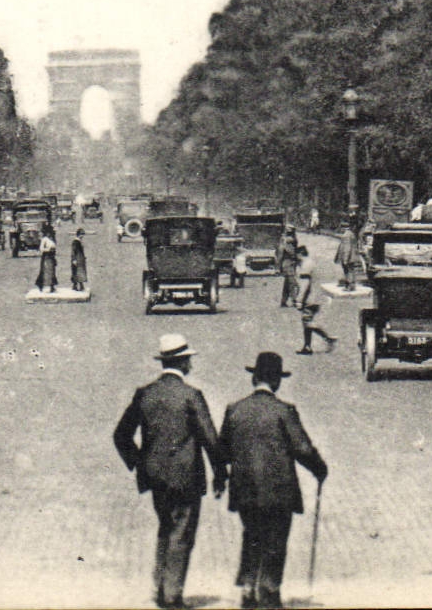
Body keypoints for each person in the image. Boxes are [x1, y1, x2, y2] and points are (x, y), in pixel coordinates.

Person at [113, 334, 227, 610]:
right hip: (186, 476)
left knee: (166, 526)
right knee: (182, 532)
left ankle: (159, 586)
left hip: (154, 476)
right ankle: (172, 596)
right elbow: (210, 438)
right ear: (184, 362)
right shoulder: (191, 396)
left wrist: (140, 462)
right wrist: (220, 473)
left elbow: (121, 435)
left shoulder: (145, 394)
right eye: (189, 360)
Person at [218, 351, 329, 609]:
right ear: (277, 381)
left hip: (244, 489)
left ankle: (248, 590)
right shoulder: (284, 411)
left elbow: (222, 451)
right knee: (276, 540)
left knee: (252, 535)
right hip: (279, 490)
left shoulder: (235, 410)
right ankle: (269, 591)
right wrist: (319, 469)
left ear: (254, 378)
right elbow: (302, 448)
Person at [295, 256, 337, 355]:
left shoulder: (306, 267)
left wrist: (299, 300)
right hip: (317, 297)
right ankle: (307, 346)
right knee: (306, 322)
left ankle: (328, 338)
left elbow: (304, 285)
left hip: (310, 299)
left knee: (307, 322)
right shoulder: (314, 264)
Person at [277, 233, 300, 308]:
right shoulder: (284, 247)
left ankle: (283, 301)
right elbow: (279, 259)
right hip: (287, 266)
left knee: (287, 285)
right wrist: (278, 269)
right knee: (292, 283)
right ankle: (294, 300)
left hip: (290, 266)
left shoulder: (290, 247)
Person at [37, 224, 59, 292]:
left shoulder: (52, 239)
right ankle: (41, 285)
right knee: (45, 271)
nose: (49, 233)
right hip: (46, 257)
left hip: (51, 256)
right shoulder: (44, 239)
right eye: (48, 232)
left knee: (52, 272)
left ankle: (52, 286)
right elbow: (41, 249)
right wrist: (48, 249)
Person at [70, 228, 89, 292]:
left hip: (81, 258)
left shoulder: (79, 241)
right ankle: (76, 285)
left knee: (80, 271)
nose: (82, 236)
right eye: (81, 234)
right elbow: (73, 251)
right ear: (78, 234)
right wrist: (74, 259)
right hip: (77, 258)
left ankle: (80, 285)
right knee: (77, 272)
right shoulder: (75, 242)